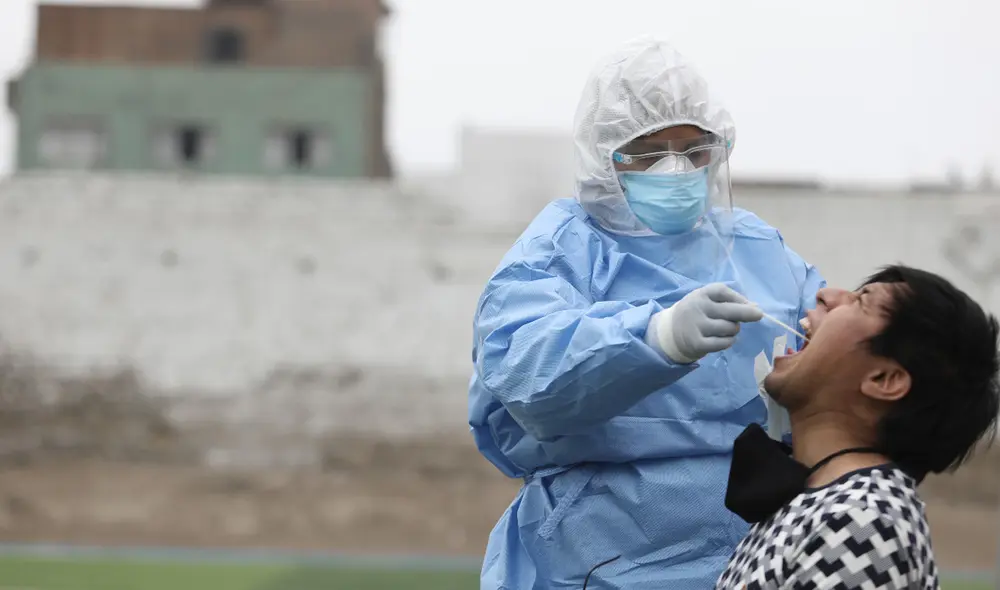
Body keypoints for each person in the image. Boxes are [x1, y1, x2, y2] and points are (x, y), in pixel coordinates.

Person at [468, 36, 825, 589]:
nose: (676, 168)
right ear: (604, 156)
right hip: (592, 554)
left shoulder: (757, 250)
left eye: (693, 148)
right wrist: (657, 337)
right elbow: (524, 371)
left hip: (750, 546)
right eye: (649, 151)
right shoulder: (561, 250)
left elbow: (829, 350)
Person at [717, 265, 1000, 590]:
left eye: (861, 300)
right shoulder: (827, 503)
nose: (827, 295)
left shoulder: (863, 520)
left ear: (884, 380)